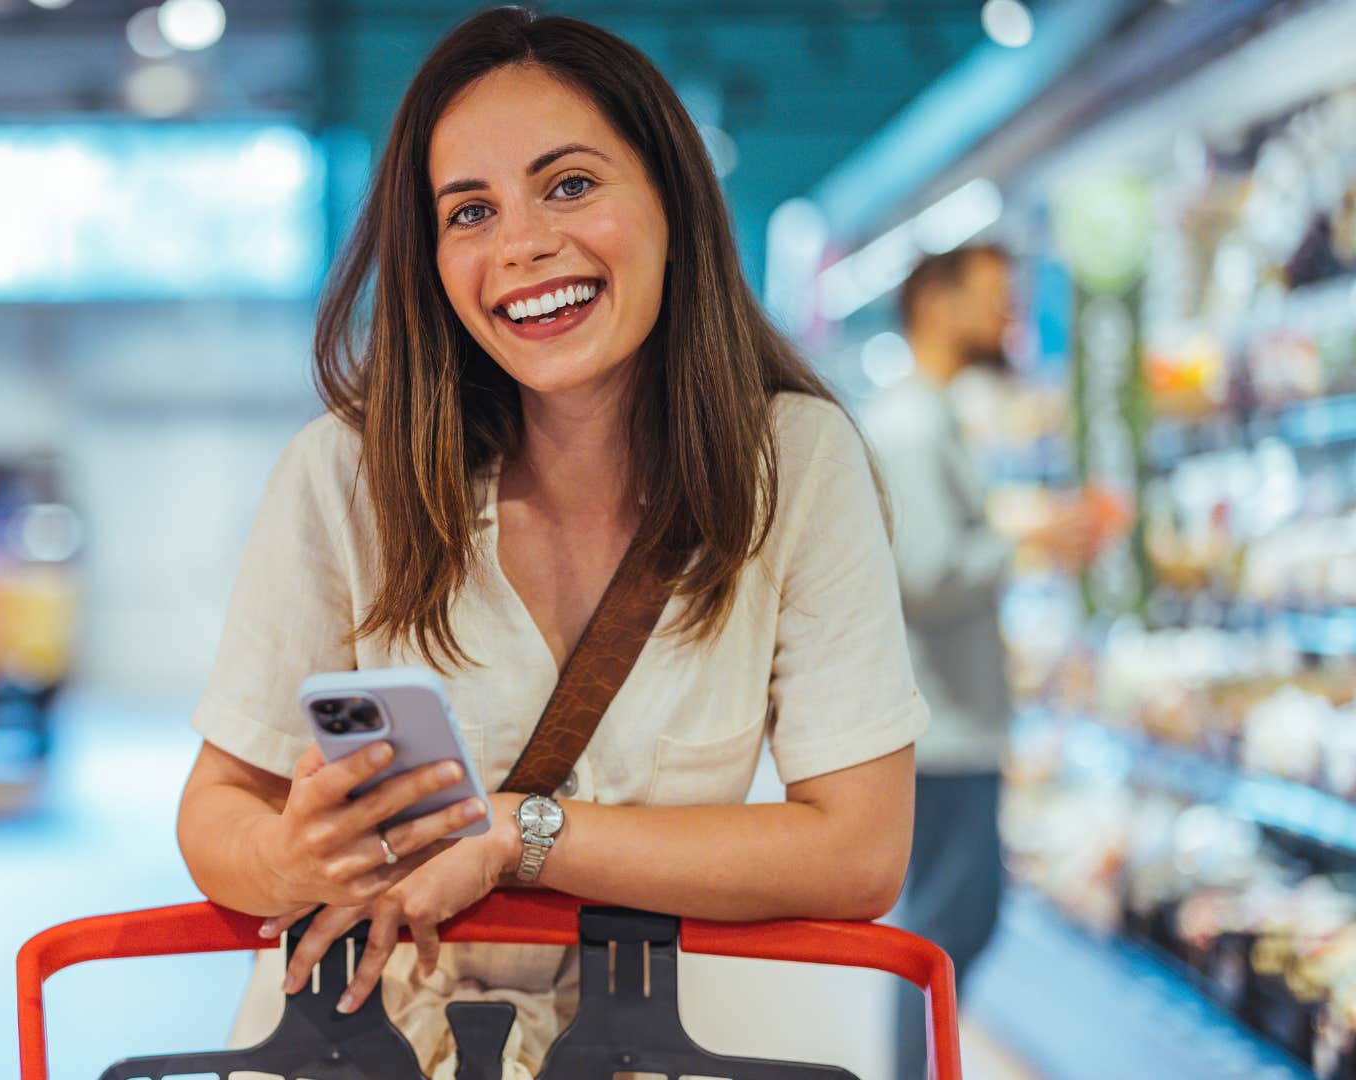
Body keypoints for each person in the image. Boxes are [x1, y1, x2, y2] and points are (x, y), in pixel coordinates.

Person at [176, 9, 930, 1077]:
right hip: (365, 1044)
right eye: (469, 211)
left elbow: (859, 850)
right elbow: (216, 810)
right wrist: (287, 856)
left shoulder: (793, 466)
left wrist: (521, 832)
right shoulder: (345, 473)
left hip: (649, 1047)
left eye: (570, 185)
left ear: (672, 199)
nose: (522, 246)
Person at [867, 245, 1107, 1080]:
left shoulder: (927, 418)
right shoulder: (911, 426)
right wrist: (1030, 539)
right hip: (943, 728)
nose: (1009, 316)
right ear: (936, 307)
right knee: (945, 929)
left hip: (950, 720)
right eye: (994, 299)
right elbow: (925, 573)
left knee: (950, 924)